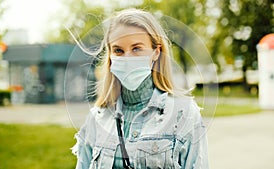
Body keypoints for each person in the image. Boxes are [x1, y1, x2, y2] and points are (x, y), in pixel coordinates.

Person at [71, 8, 209, 169]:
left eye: (136, 48)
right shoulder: (97, 118)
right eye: (118, 50)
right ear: (110, 56)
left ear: (156, 53)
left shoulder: (184, 114)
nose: (127, 57)